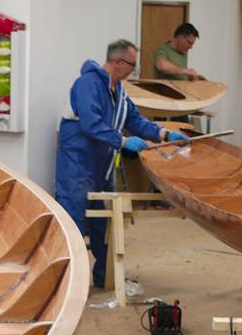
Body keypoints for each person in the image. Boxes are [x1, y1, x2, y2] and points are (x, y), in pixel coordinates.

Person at [55, 40, 187, 288]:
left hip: (101, 169)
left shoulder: (120, 92)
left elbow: (136, 121)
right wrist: (123, 141)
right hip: (77, 167)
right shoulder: (87, 85)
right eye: (132, 65)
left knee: (103, 228)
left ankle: (104, 278)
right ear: (118, 62)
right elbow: (90, 124)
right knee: (72, 226)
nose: (133, 71)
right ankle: (66, 285)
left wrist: (165, 135)